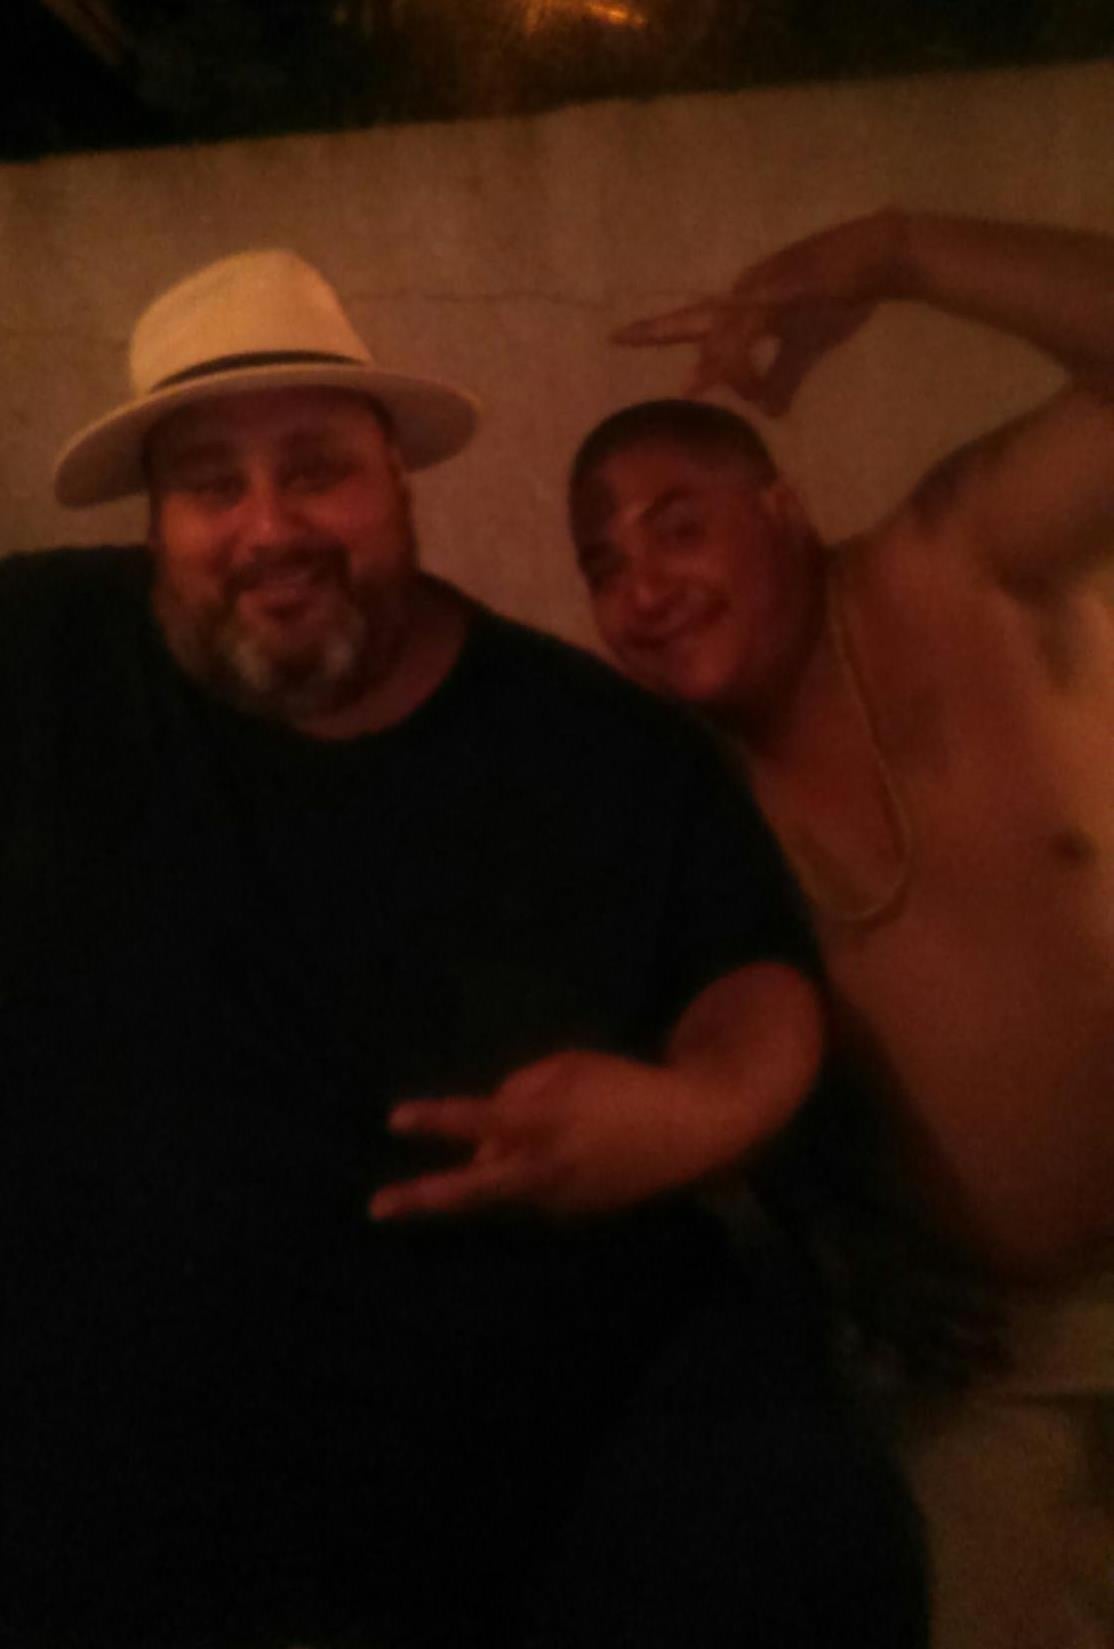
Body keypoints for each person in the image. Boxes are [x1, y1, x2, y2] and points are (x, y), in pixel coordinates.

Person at [2, 248, 926, 1649]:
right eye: (209, 485)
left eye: (318, 470)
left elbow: (753, 975)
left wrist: (692, 1111)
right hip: (101, 1523)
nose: (267, 528)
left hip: (506, 1507)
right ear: (156, 525)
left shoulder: (599, 753)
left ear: (398, 481)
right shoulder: (49, 657)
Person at [563, 209, 1114, 1648]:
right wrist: (846, 1264)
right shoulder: (680, 809)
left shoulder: (950, 570)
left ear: (782, 509)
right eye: (604, 564)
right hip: (990, 1376)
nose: (644, 587)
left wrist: (901, 253)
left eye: (679, 525)